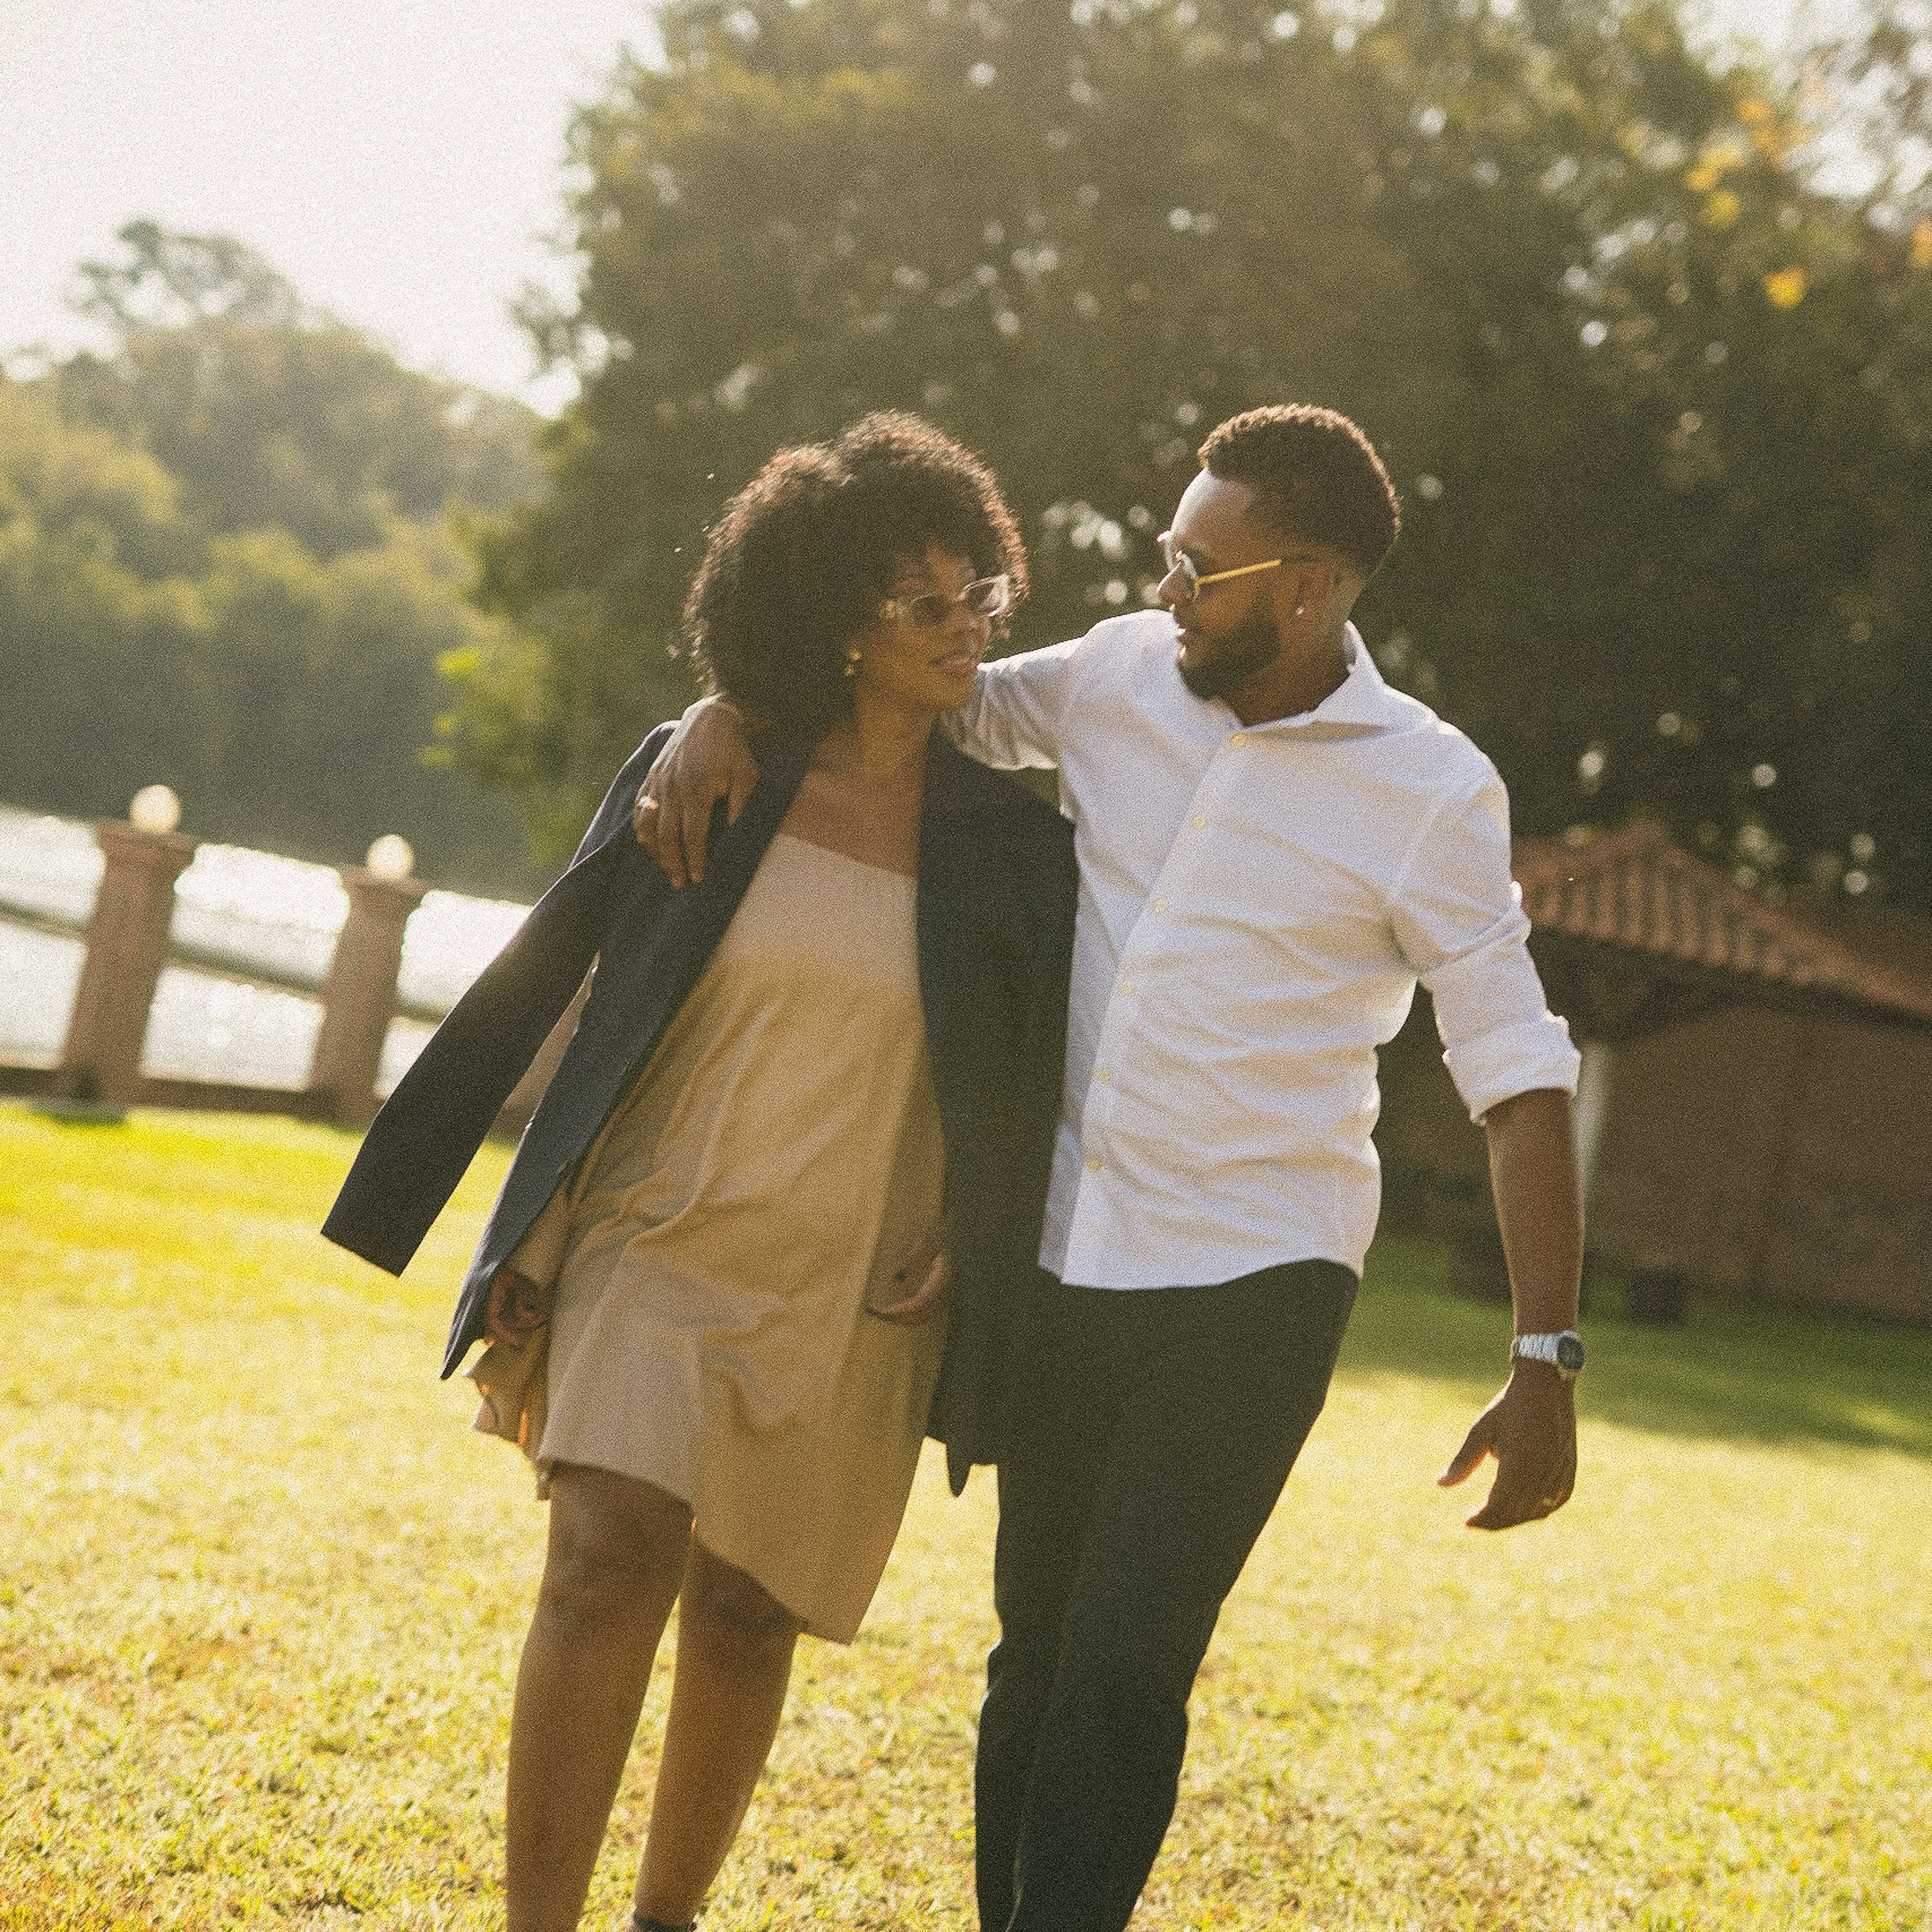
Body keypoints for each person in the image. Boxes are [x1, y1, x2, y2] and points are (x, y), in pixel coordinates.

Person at [635, 404, 1586, 1932]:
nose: (1165, 588)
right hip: (1067, 1254)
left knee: (1126, 1660)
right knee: (1033, 1649)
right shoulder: (1110, 680)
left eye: (1201, 566)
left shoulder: (1428, 789)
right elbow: (906, 693)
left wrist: (1542, 1352)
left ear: (1311, 587)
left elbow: (1513, 1069)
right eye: (1165, 551)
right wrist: (724, 711)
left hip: (1255, 1278)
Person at [322, 413, 1076, 1932]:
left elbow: (1027, 1070)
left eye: (977, 591)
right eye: (921, 601)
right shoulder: (711, 772)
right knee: (603, 1561)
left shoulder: (1013, 837)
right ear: (833, 626)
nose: (966, 628)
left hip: (852, 1269)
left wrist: (977, 1225)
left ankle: (665, 1917)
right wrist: (522, 1243)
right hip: (659, 1227)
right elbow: (566, 980)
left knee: (743, 1609)